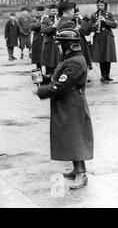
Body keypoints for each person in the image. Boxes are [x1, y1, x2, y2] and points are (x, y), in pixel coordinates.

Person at [35, 29, 93, 190]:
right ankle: (77, 168)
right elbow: (59, 77)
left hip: (72, 104)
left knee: (75, 137)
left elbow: (61, 85)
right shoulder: (69, 59)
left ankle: (81, 174)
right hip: (67, 103)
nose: (59, 47)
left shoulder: (74, 61)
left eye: (61, 44)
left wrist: (41, 90)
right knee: (70, 137)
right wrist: (45, 79)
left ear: (68, 45)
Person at [88, 0, 118, 83]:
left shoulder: (109, 14)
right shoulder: (94, 15)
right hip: (99, 37)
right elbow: (90, 27)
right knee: (101, 56)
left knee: (108, 56)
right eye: (98, 5)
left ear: (105, 6)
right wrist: (96, 24)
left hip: (108, 36)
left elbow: (115, 24)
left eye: (101, 5)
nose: (99, 7)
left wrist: (105, 21)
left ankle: (107, 75)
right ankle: (103, 75)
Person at [41, 5, 60, 76]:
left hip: (56, 43)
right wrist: (53, 26)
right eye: (53, 11)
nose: (55, 12)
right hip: (48, 43)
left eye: (56, 11)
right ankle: (48, 77)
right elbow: (43, 30)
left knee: (56, 61)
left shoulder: (59, 19)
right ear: (49, 11)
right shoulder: (45, 19)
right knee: (48, 62)